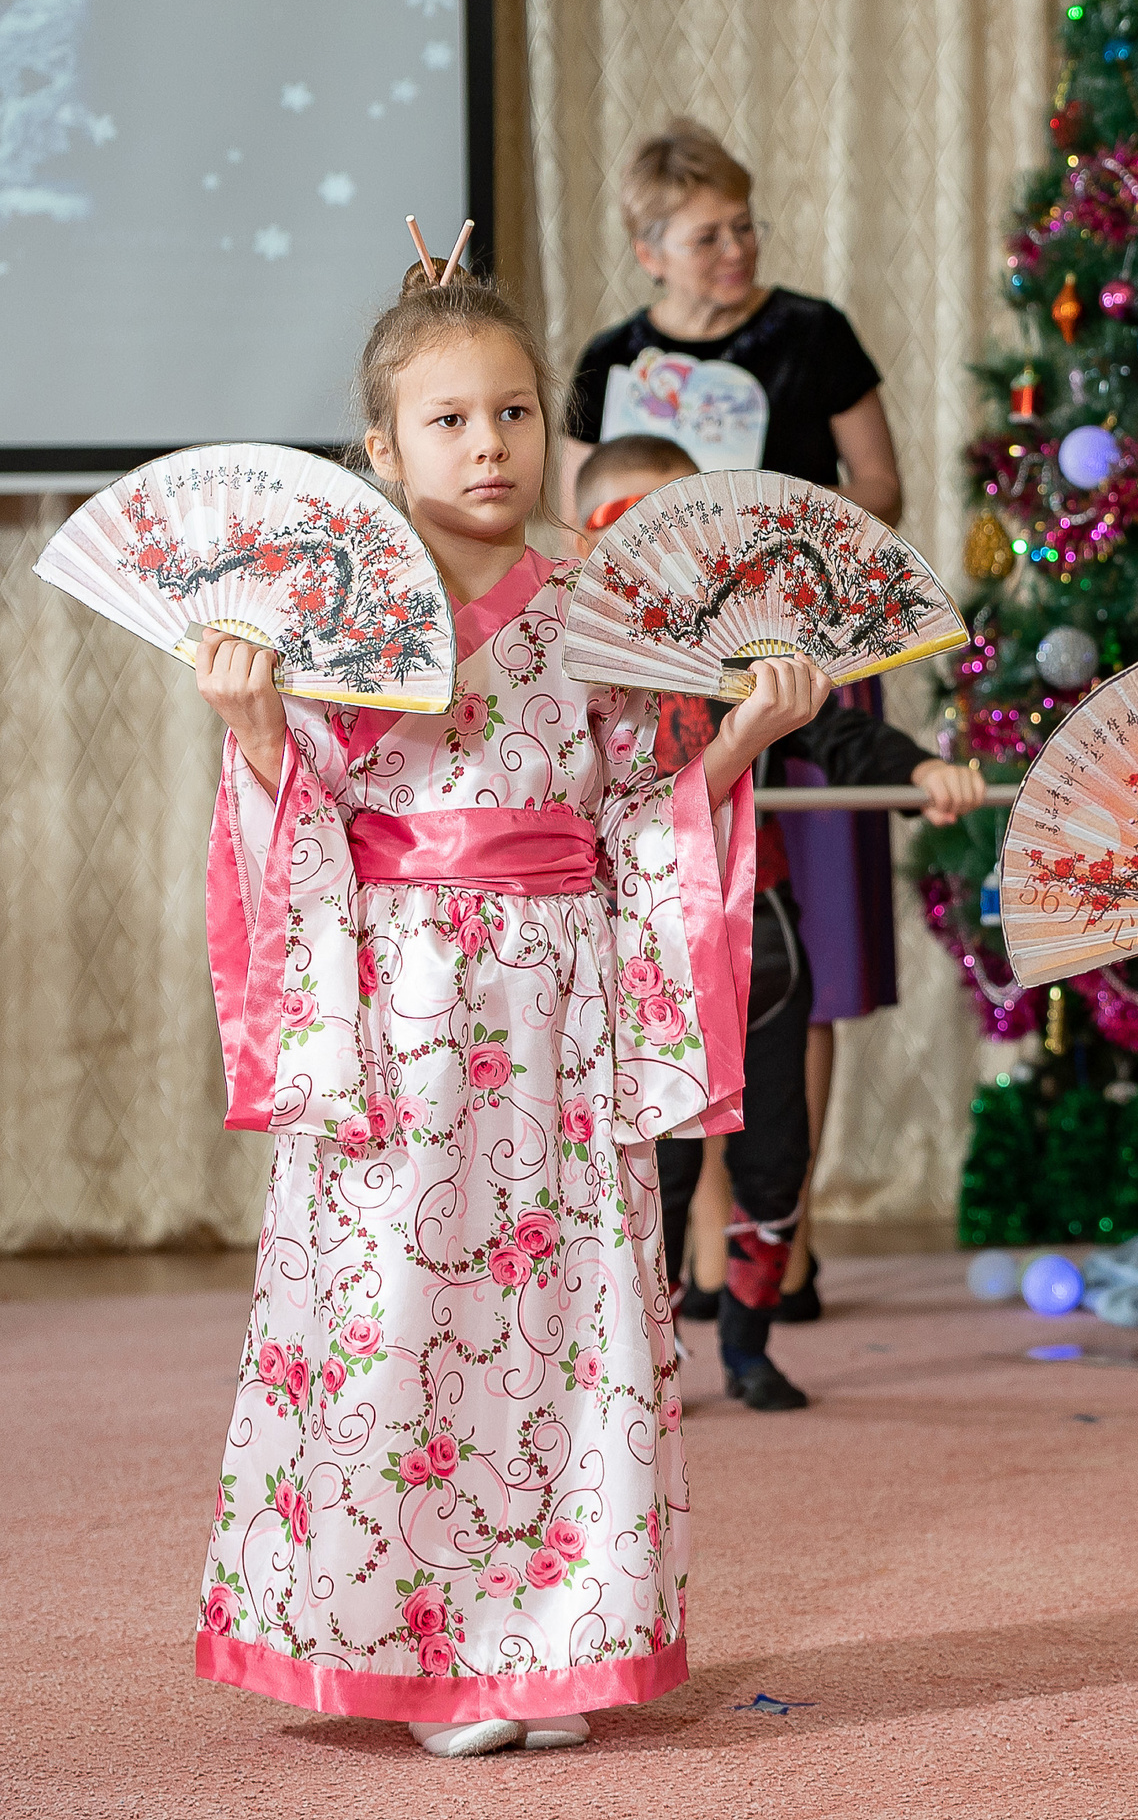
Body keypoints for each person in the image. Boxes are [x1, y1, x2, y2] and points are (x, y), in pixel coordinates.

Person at [190, 259, 828, 1757]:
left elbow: (635, 822)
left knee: (563, 1318)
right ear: (381, 447)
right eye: (449, 418)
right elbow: (302, 830)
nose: (490, 444)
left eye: (517, 412)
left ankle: (549, 1639)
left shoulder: (597, 613)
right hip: (399, 1007)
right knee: (400, 1309)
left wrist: (742, 735)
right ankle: (424, 1648)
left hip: (561, 1010)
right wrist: (260, 730)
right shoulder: (333, 621)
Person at [565, 120, 909, 1307]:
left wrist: (781, 524)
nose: (736, 248)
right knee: (674, 941)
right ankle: (699, 1246)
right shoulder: (611, 361)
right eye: (709, 234)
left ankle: (782, 1246)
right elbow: (577, 514)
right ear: (649, 247)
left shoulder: (812, 332)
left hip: (793, 654)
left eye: (744, 225)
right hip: (659, 675)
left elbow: (882, 484)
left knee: (802, 948)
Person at [569, 437, 984, 1409]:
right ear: (586, 540)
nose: (657, 547)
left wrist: (921, 771)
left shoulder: (746, 649)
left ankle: (749, 1346)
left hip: (760, 935)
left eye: (679, 523)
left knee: (775, 1155)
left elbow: (838, 730)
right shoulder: (568, 661)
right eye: (626, 523)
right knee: (660, 1165)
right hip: (633, 944)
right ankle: (647, 1360)